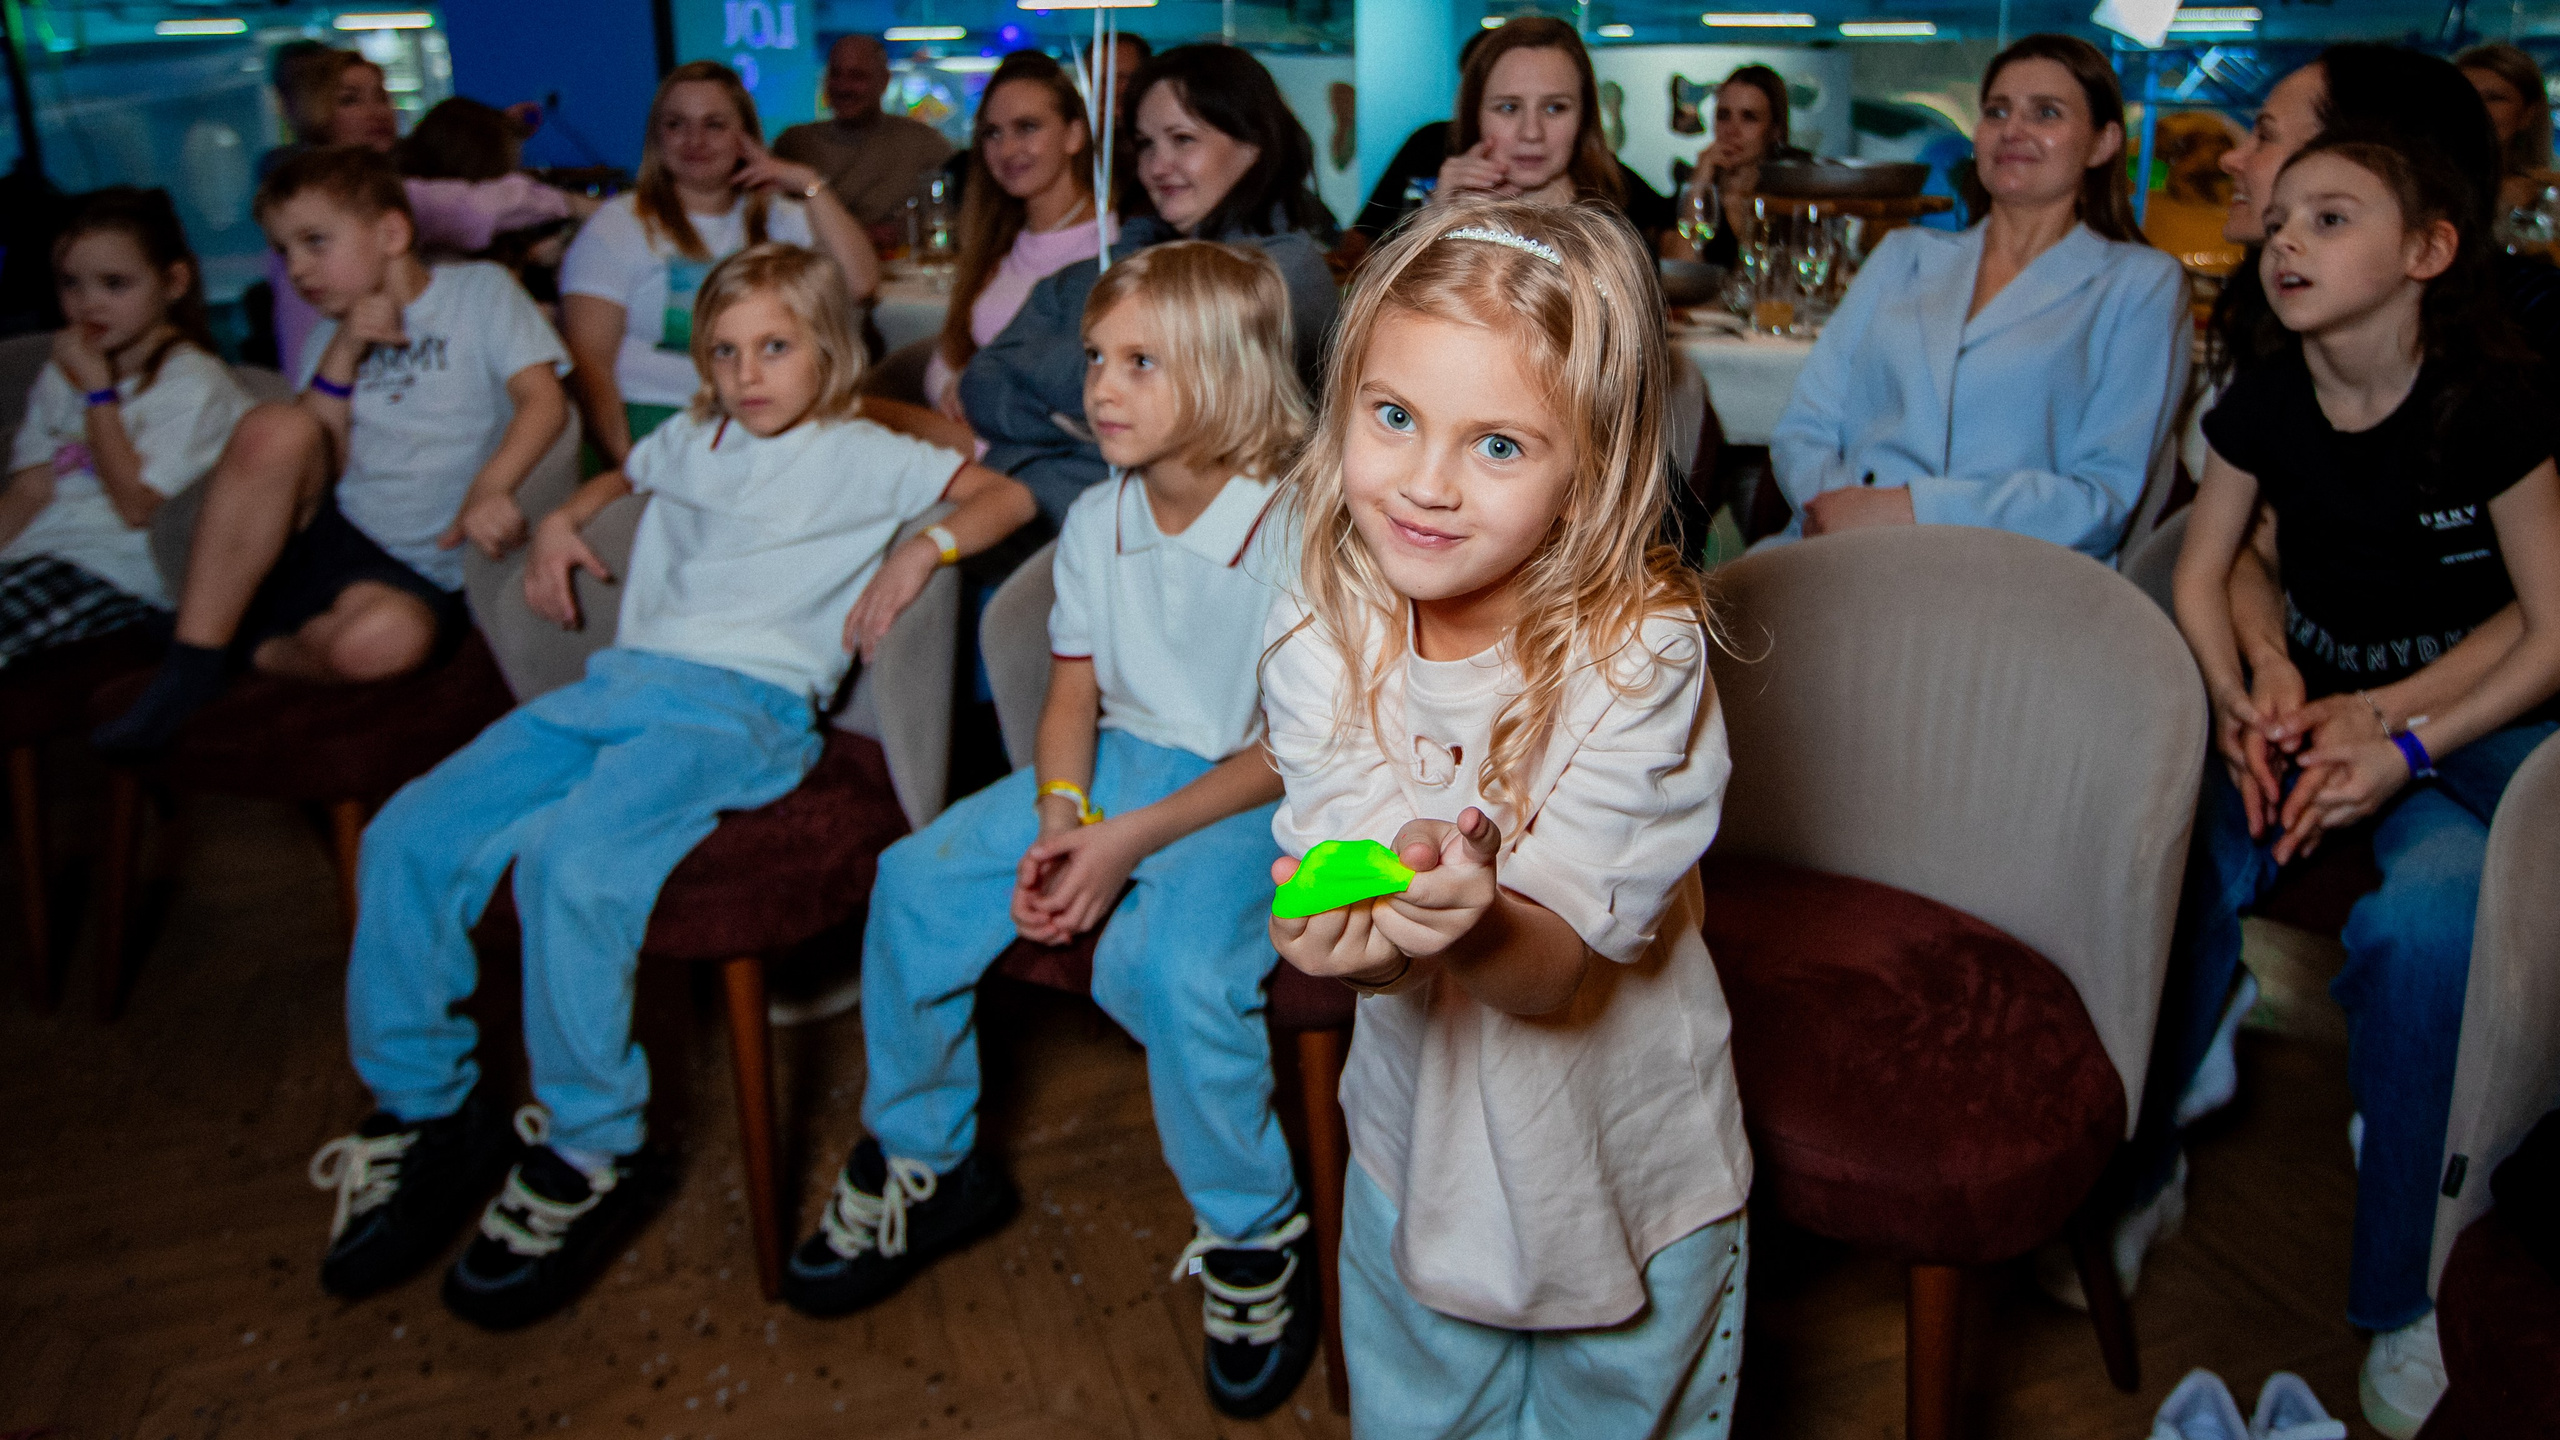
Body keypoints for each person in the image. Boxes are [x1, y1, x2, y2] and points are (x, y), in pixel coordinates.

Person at [303, 241, 1034, 1328]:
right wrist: (559, 517)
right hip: (615, 689)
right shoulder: (696, 437)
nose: (748, 372)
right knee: (409, 832)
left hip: (741, 708)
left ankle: (592, 1145)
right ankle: (428, 1110)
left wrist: (919, 548)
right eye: (726, 350)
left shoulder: (856, 449)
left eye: (775, 347)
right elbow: (620, 475)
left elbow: (1004, 496)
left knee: (575, 861)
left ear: (826, 351)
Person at [782, 241, 1317, 1419]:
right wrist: (1060, 818)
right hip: (1120, 763)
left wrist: (1125, 847)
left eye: (1140, 363)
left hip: (1260, 790)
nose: (1100, 389)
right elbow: (1072, 692)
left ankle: (1253, 1229)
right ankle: (928, 1158)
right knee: (917, 882)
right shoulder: (1099, 521)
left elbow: (1296, 746)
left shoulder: (1299, 531)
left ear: (1230, 378)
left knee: (1172, 968)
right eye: (1094, 359)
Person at [1262, 198, 1747, 1437]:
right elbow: (1357, 896)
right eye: (1393, 417)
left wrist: (1466, 928)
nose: (1423, 483)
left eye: (1499, 446)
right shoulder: (1319, 622)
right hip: (1410, 1151)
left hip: (1618, 1167)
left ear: (1592, 466)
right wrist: (1354, 942)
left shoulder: (1643, 655)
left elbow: (1554, 980)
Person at [2170, 134, 2560, 1440]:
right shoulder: (2269, 400)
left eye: (2328, 219)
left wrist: (2397, 748)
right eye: (2277, 222)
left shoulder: (2490, 406)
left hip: (2461, 738)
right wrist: (2246, 688)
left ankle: (2404, 1294)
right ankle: (2134, 1154)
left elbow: (2555, 629)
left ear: (2428, 253)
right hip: (2306, 724)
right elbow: (2206, 564)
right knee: (2168, 850)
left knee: (2429, 932)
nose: (2284, 241)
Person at [93, 149, 570, 753]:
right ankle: (192, 664)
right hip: (338, 538)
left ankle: (246, 648)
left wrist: (492, 484)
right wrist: (345, 349)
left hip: (425, 568)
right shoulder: (327, 331)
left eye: (315, 242)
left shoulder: (480, 292)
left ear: (391, 232)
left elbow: (544, 402)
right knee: (277, 426)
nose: (297, 269)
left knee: (382, 645)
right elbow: (319, 458)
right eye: (284, 250)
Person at [1766, 33, 2189, 561]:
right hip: (1839, 544)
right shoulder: (1904, 254)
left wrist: (1910, 510)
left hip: (2008, 570)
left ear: (2103, 144)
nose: (2013, 129)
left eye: (2047, 113)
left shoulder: (2140, 283)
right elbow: (1805, 425)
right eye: (1997, 111)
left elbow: (2101, 498)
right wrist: (1834, 508)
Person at [958, 44, 1339, 526]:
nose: (1158, 167)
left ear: (1254, 142)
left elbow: (1187, 425)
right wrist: (1098, 426)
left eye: (1182, 139)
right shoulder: (1129, 257)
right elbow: (982, 380)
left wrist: (1048, 429)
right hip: (1078, 522)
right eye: (1146, 144)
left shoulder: (1279, 274)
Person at [560, 61, 879, 475]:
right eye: (676, 124)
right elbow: (590, 364)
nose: (695, 140)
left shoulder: (783, 219)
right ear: (658, 137)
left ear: (744, 137)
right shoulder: (617, 226)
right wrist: (627, 467)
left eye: (714, 124)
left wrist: (806, 182)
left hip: (773, 429)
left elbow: (860, 284)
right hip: (654, 425)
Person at [3, 189, 252, 668]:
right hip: (37, 558)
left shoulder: (195, 383)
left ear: (174, 281)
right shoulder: (61, 372)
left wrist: (100, 397)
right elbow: (30, 491)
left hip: (119, 572)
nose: (88, 304)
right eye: (71, 284)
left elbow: (139, 507)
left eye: (115, 284)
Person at [259, 48, 583, 374]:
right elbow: (474, 206)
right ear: (314, 113)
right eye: (350, 100)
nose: (376, 112)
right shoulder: (335, 198)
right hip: (332, 380)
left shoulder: (387, 183)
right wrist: (577, 204)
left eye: (381, 96)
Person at [924, 51, 1106, 418]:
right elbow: (949, 356)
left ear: (1074, 135)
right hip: (968, 444)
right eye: (993, 132)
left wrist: (974, 386)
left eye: (1027, 127)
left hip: (1026, 457)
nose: (1006, 150)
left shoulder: (1106, 249)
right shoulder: (997, 240)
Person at [1429, 18, 1673, 242]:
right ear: (1475, 115)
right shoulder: (1446, 209)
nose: (1532, 133)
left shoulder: (1621, 223)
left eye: (1555, 108)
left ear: (1583, 117)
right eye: (1508, 107)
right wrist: (1434, 221)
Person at [773, 35, 956, 251]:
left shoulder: (924, 144)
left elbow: (952, 218)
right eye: (836, 74)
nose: (844, 87)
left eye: (857, 76)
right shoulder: (795, 145)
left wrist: (904, 231)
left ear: (884, 81)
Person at [1660, 64, 1811, 268]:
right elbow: (1680, 273)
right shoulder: (1690, 196)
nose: (1732, 130)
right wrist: (1698, 184)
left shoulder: (1793, 199)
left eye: (1749, 117)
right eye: (1723, 116)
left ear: (1775, 129)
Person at [2456, 44, 2554, 219]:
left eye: (2494, 98)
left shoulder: (2550, 192)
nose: (2476, 108)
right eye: (2465, 96)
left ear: (2528, 115)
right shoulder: (2417, 185)